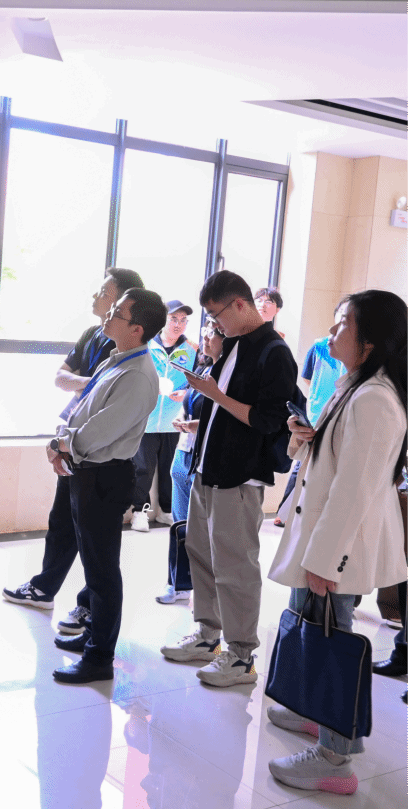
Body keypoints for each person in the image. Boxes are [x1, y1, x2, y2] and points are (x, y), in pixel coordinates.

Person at [264, 289, 408, 795]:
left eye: (342, 323)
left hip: (338, 547)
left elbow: (354, 491)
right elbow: (334, 462)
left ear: (370, 341)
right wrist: (305, 435)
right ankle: (316, 715)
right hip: (322, 537)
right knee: (312, 629)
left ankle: (334, 758)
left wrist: (326, 561)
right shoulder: (355, 385)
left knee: (331, 643)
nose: (331, 332)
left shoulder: (375, 400)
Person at [5, 289, 165, 683]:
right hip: (88, 470)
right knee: (95, 566)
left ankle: (99, 658)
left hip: (105, 476)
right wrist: (62, 441)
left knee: (102, 570)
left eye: (118, 312)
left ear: (138, 329)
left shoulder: (137, 375)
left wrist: (62, 445)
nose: (108, 315)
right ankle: (94, 636)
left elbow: (99, 431)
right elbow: (81, 412)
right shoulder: (116, 359)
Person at [160, 270, 298, 687]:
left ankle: (240, 657)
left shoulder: (274, 352)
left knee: (235, 566)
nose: (214, 325)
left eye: (217, 315)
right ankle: (207, 636)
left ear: (240, 304)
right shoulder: (232, 345)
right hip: (207, 466)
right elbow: (223, 410)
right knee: (201, 553)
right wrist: (203, 418)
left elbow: (269, 420)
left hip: (240, 476)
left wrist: (217, 396)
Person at [159, 323, 225, 605]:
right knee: (180, 526)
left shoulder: (229, 375)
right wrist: (183, 418)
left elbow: (224, 420)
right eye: (205, 331)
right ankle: (177, 583)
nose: (205, 337)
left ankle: (205, 591)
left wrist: (197, 425)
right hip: (183, 454)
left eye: (213, 332)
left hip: (206, 460)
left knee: (204, 530)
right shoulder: (203, 369)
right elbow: (194, 408)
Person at [274, 307, 347, 526]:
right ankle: (286, 513)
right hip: (318, 414)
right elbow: (307, 377)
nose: (334, 328)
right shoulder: (320, 346)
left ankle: (287, 513)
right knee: (303, 464)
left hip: (330, 415)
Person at [130, 299, 197, 532]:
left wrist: (186, 393)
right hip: (146, 419)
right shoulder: (146, 345)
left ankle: (166, 511)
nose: (178, 324)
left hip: (174, 421)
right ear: (163, 320)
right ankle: (140, 512)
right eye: (173, 319)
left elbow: (198, 381)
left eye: (183, 320)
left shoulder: (192, 350)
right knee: (142, 469)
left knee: (170, 469)